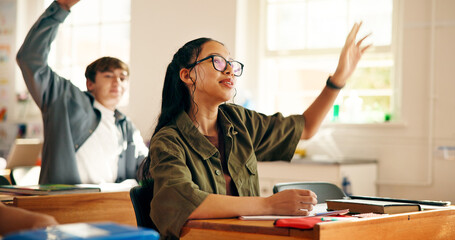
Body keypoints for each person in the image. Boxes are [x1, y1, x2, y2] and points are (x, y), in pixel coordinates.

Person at [140, 23, 370, 239]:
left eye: (232, 64)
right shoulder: (168, 141)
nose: (230, 69)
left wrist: (338, 78)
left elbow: (306, 128)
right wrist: (268, 205)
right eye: (218, 62)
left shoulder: (240, 121)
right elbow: (185, 203)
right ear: (187, 75)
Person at [16, 0, 148, 184]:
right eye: (109, 75)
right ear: (90, 83)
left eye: (122, 77)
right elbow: (30, 59)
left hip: (109, 206)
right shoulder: (64, 99)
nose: (117, 82)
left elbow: (145, 168)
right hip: (65, 203)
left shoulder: (126, 126)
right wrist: (60, 8)